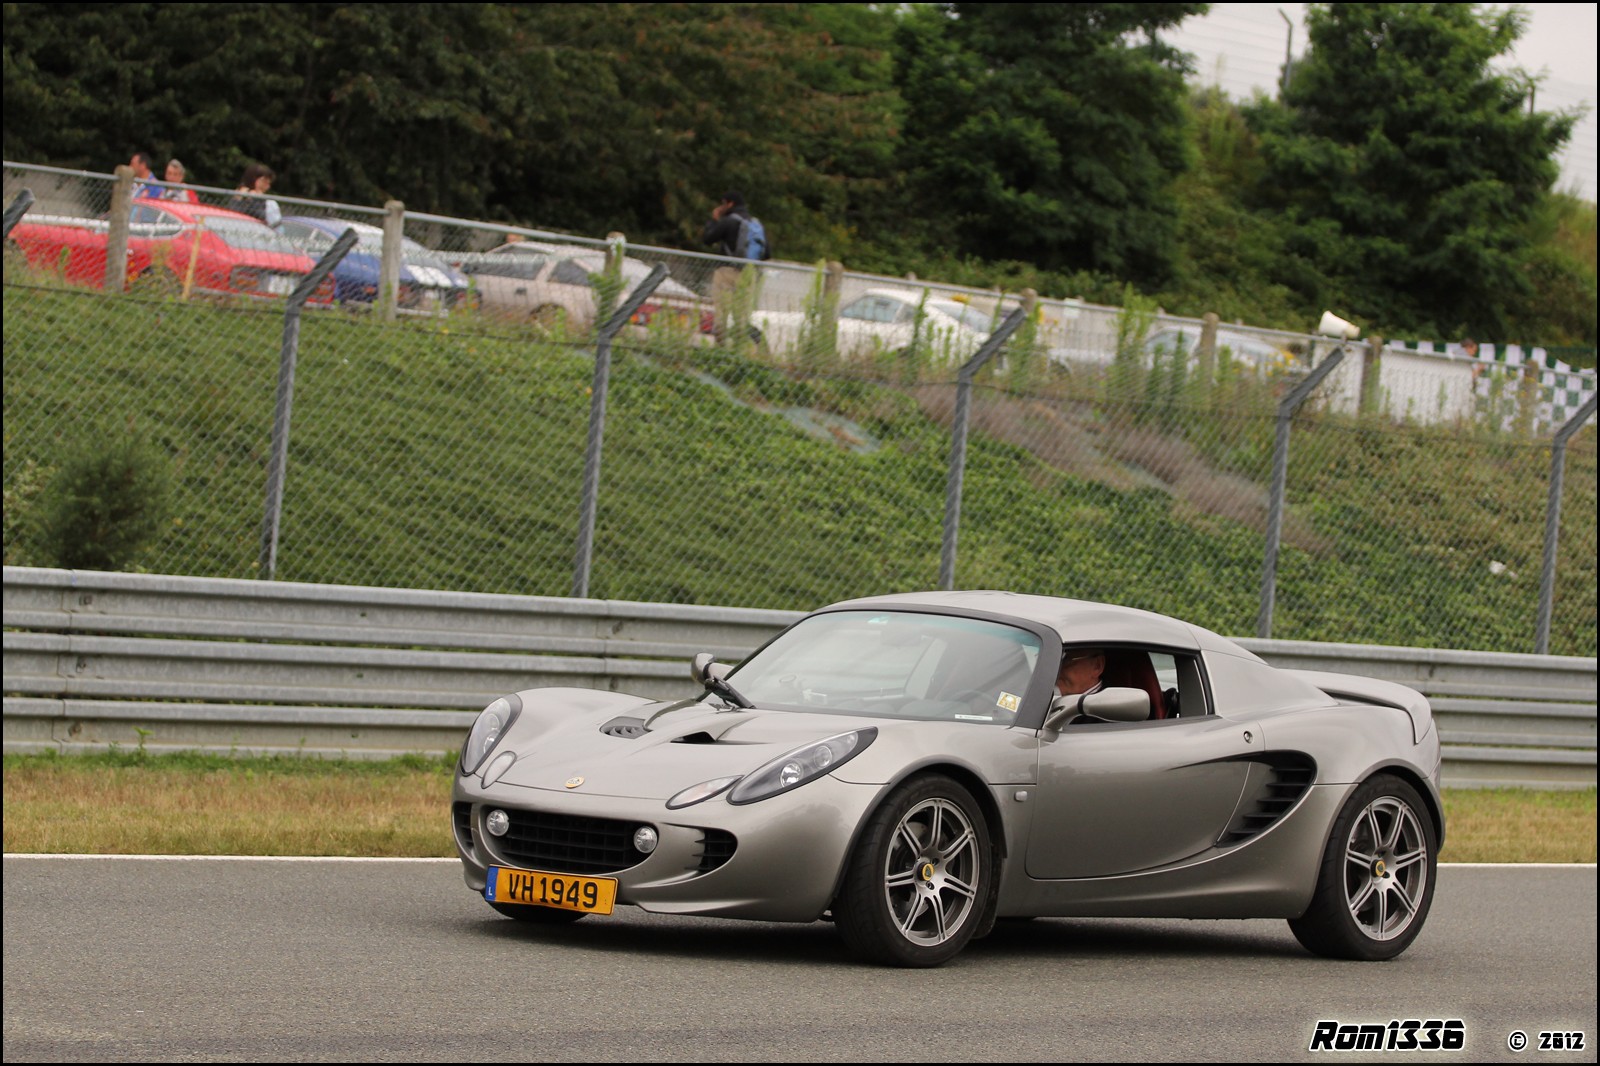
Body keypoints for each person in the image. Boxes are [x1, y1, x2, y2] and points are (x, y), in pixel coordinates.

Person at [701, 190, 765, 259]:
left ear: (730, 204)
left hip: (729, 264)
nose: (721, 207)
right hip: (751, 265)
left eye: (723, 204)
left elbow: (707, 239)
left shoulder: (728, 221)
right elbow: (766, 253)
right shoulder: (755, 222)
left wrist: (714, 220)